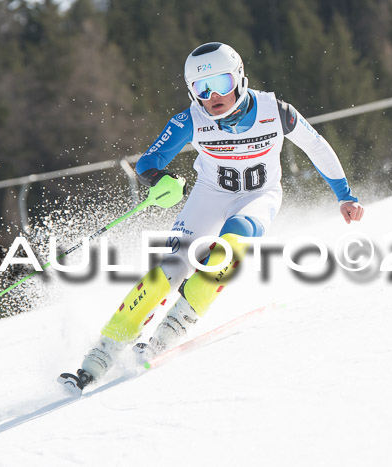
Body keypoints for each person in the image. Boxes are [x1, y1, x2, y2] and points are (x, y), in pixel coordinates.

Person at [59, 42, 364, 392]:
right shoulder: (191, 119)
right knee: (165, 276)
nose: (212, 96)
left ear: (238, 78)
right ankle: (97, 359)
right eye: (201, 88)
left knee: (224, 256)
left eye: (220, 83)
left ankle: (162, 339)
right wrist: (161, 180)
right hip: (210, 196)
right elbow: (147, 163)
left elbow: (317, 146)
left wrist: (345, 196)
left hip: (258, 197)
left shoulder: (275, 111)